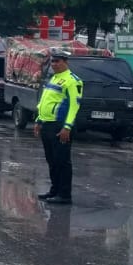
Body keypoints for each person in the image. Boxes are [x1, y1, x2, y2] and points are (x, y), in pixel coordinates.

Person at [34, 47, 83, 205]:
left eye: (57, 61)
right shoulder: (54, 78)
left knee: (62, 161)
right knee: (52, 160)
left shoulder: (72, 80)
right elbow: (45, 102)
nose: (54, 64)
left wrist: (67, 127)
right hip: (47, 125)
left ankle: (64, 195)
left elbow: (74, 106)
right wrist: (39, 121)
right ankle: (54, 190)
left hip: (60, 126)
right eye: (53, 61)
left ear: (65, 62)